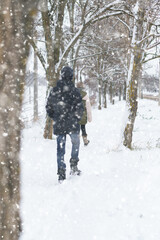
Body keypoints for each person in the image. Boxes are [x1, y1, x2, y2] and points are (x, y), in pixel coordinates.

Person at [46, 66, 84, 182]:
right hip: (72, 124)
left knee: (60, 148)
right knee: (75, 144)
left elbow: (49, 107)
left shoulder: (54, 90)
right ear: (72, 77)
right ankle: (73, 165)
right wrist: (76, 118)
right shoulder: (75, 91)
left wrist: (56, 117)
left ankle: (61, 172)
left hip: (60, 123)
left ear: (61, 75)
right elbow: (80, 108)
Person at [77, 82, 92, 146]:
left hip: (75, 115)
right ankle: (85, 141)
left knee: (76, 129)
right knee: (83, 128)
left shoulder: (73, 94)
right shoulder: (85, 95)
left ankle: (76, 142)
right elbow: (88, 108)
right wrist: (89, 118)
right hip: (83, 115)